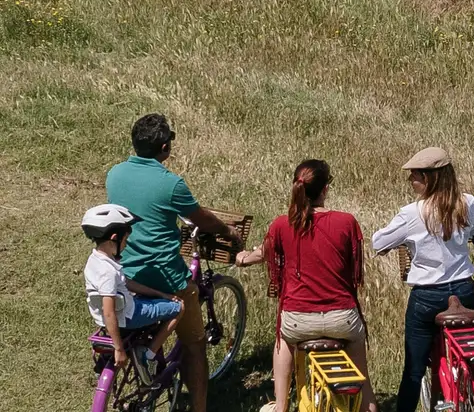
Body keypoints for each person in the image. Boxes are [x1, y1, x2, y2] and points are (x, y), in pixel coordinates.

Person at [105, 113, 234, 412]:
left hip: (127, 271)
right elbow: (201, 218)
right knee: (195, 344)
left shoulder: (115, 174)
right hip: (164, 277)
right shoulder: (172, 184)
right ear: (165, 148)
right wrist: (227, 230)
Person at [236, 160, 373, 412]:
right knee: (363, 383)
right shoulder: (346, 222)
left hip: (298, 321)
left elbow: (262, 254)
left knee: (283, 341)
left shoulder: (282, 224)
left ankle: (281, 405)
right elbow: (354, 267)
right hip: (342, 318)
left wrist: (242, 257)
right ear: (325, 189)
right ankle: (366, 404)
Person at [371, 147, 474, 412]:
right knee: (466, 351)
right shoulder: (467, 202)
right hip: (464, 290)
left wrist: (397, 243)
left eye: (413, 175)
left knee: (414, 369)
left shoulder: (413, 212)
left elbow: (378, 242)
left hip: (427, 294)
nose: (409, 180)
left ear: (429, 178)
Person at [82, 203, 184, 382]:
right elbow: (109, 311)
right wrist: (119, 349)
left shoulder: (94, 261)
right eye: (125, 239)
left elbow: (125, 283)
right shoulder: (109, 272)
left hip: (105, 318)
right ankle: (148, 354)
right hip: (130, 316)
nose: (126, 244)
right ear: (114, 237)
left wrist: (157, 293)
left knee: (150, 301)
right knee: (179, 307)